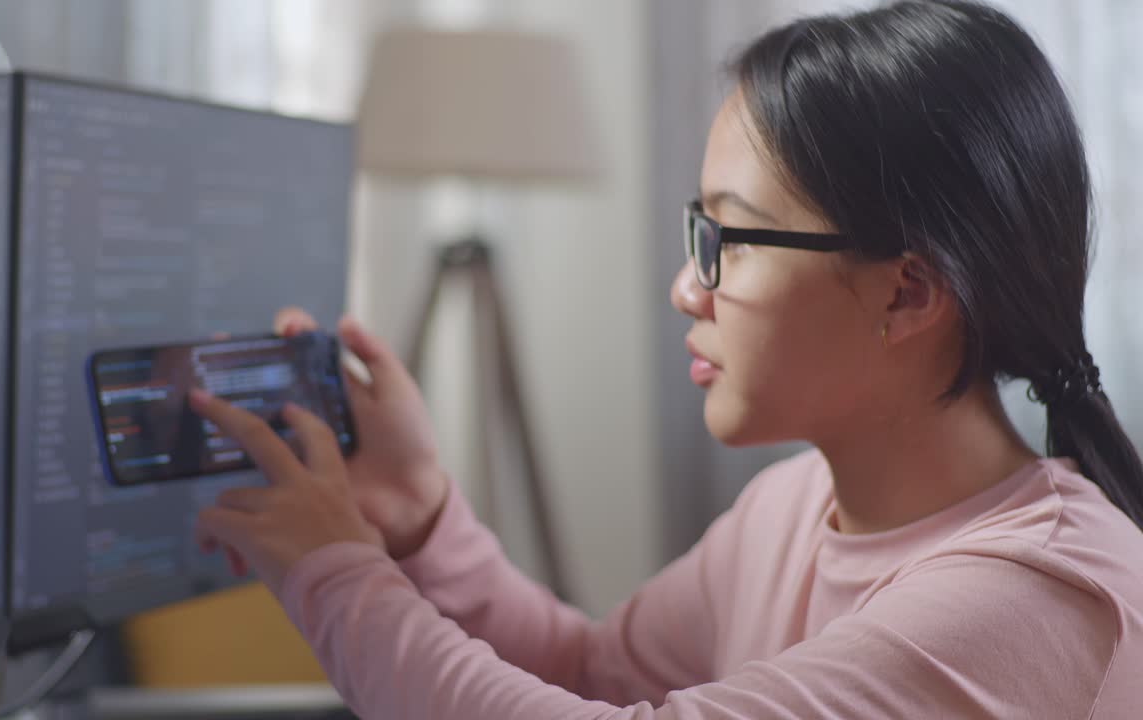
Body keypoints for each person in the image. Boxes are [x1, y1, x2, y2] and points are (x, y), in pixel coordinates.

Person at [187, 1, 1143, 717]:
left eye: (732, 239)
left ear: (907, 293)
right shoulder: (792, 507)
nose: (688, 290)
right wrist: (419, 517)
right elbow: (585, 676)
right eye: (700, 231)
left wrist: (336, 573)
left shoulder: (1036, 596)